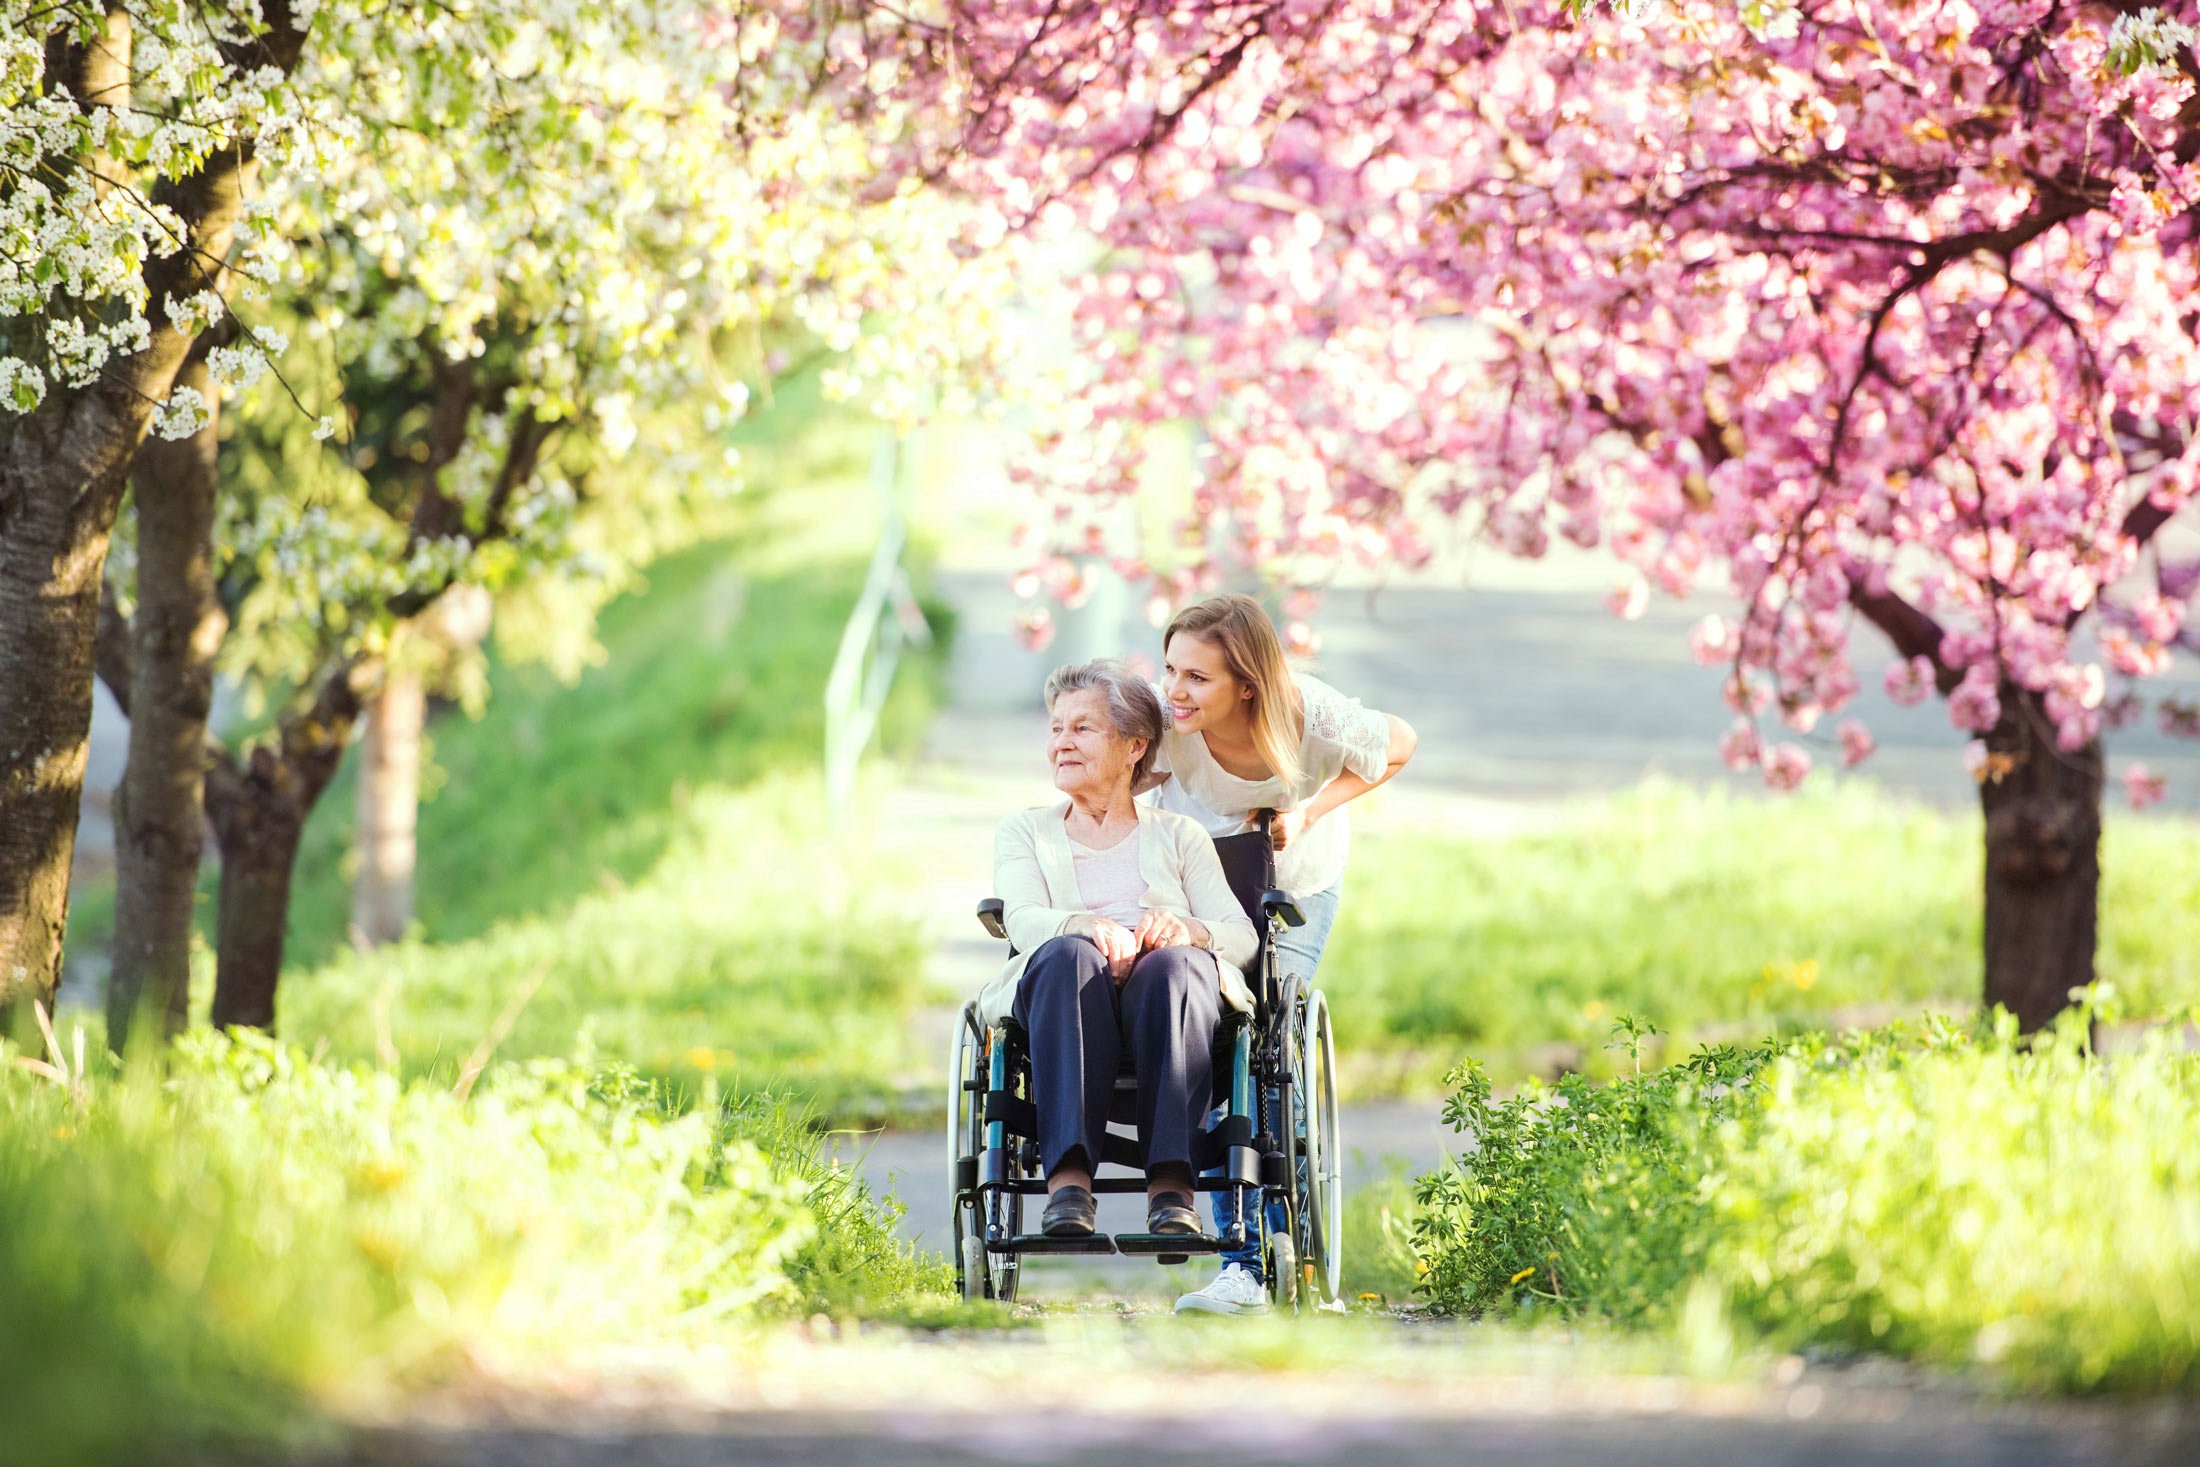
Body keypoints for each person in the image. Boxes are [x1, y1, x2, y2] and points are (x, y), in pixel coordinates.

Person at [1145, 593, 1418, 1315]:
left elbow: (1400, 742)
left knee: (1266, 1048)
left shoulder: (1309, 712)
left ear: (1247, 685)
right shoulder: (1162, 718)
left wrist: (1309, 809)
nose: (1175, 689)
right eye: (1170, 669)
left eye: (1196, 677)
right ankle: (1241, 1267)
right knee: (1210, 1039)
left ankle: (1286, 1255)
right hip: (1199, 886)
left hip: (1293, 884)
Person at [979, 660, 1259, 1240]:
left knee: (1176, 966)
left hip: (1169, 1000)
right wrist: (1081, 924)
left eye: (1082, 728)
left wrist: (1189, 930)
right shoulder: (1024, 831)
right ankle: (1069, 1188)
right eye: (1056, 728)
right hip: (1065, 995)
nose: (1062, 742)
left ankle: (1172, 1191)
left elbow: (1242, 935)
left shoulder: (1180, 835)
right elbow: (1023, 919)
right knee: (1068, 955)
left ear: (1134, 747)